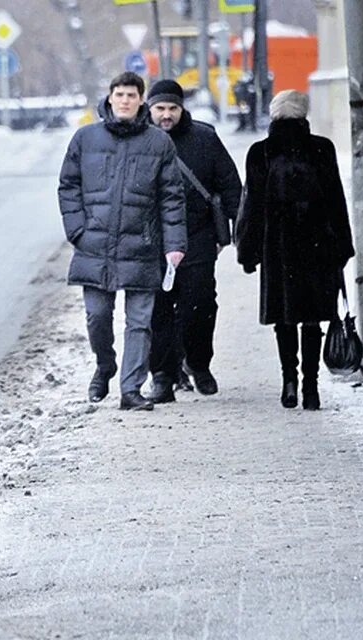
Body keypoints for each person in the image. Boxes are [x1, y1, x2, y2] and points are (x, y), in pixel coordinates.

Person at [58, 72, 187, 411]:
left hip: (142, 246)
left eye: (132, 95)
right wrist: (77, 231)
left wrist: (174, 244)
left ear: (141, 100)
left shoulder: (159, 143)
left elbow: (172, 198)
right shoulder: (85, 138)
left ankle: (131, 389)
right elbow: (68, 187)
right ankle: (105, 365)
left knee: (140, 323)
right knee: (97, 317)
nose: (126, 100)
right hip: (94, 245)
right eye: (120, 94)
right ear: (110, 98)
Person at [235, 90, 354, 411]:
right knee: (313, 321)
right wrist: (343, 245)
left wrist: (247, 252)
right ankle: (311, 388)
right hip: (319, 248)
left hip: (278, 250)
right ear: (303, 115)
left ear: (274, 115)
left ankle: (289, 381)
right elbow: (335, 202)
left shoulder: (261, 152)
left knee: (284, 320)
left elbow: (252, 206)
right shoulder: (321, 149)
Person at [145, 80, 242, 403]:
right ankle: (161, 375)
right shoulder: (139, 141)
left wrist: (237, 229)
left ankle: (198, 364)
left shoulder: (204, 138)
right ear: (149, 108)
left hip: (196, 234)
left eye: (172, 108)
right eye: (160, 108)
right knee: (157, 309)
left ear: (182, 108)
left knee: (200, 304)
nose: (166, 115)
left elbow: (229, 184)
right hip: (152, 237)